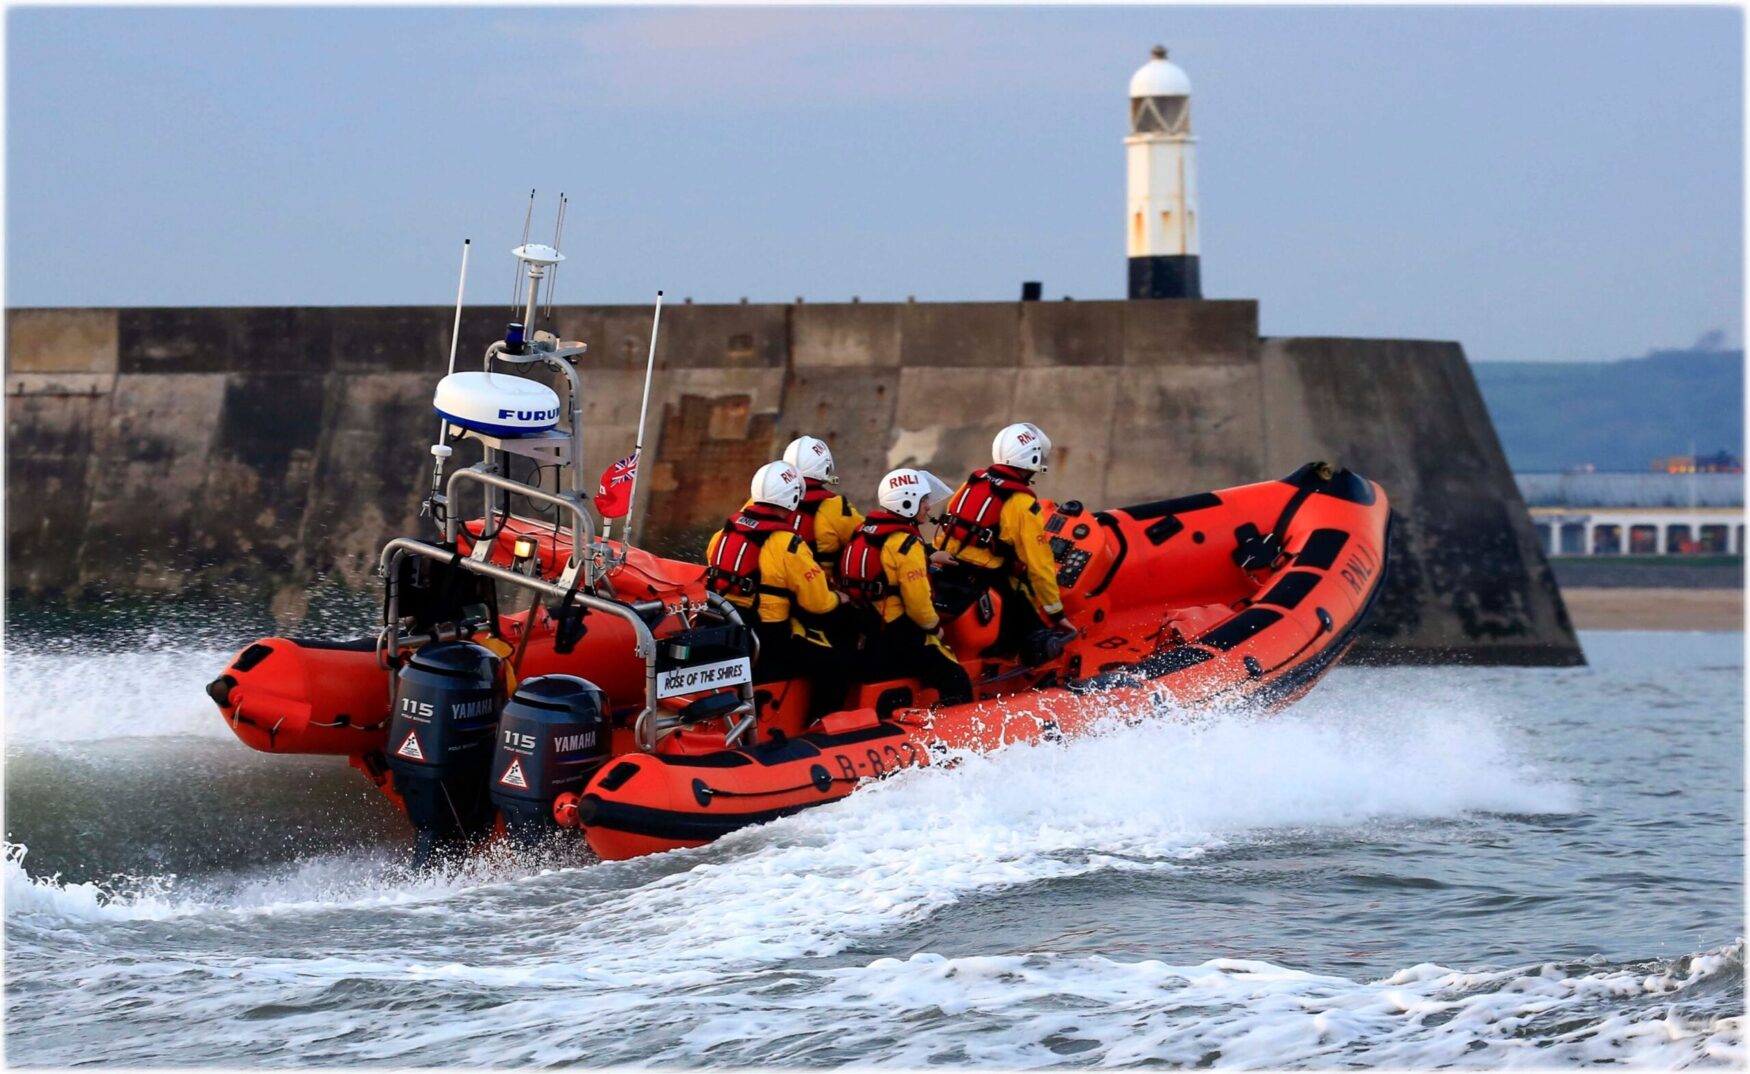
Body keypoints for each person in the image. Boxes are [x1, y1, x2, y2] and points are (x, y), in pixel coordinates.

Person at [704, 462, 849, 715]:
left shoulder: (722, 535)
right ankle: (819, 726)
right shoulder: (787, 544)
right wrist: (841, 598)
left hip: (722, 627)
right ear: (792, 497)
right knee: (838, 663)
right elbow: (818, 603)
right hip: (768, 637)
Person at [934, 422, 1074, 659]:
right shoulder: (1022, 504)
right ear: (1030, 459)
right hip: (984, 579)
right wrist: (1057, 614)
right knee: (1034, 627)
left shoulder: (973, 482)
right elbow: (1039, 566)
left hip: (946, 569)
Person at [839, 468, 974, 706]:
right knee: (956, 678)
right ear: (907, 502)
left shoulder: (865, 532)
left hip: (869, 628)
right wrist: (934, 629)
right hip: (899, 633)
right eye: (924, 501)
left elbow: (888, 567)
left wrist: (931, 556)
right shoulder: (906, 542)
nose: (928, 507)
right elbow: (919, 605)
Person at [782, 435, 865, 569]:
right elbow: (866, 540)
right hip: (816, 585)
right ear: (823, 467)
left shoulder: (759, 500)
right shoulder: (835, 506)